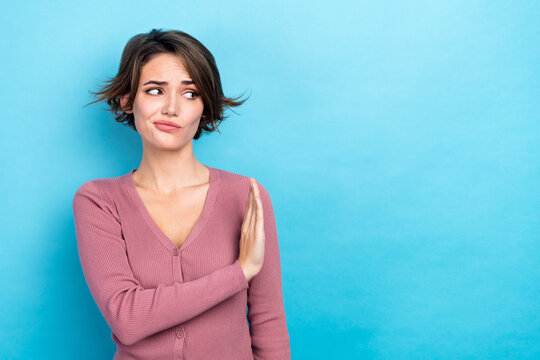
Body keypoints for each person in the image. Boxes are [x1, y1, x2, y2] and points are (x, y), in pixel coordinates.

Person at [73, 28, 291, 359]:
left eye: (191, 94)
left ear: (205, 107)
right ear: (128, 100)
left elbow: (269, 324)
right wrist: (239, 273)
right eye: (155, 90)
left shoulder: (246, 196)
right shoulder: (100, 201)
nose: (172, 108)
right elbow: (127, 318)